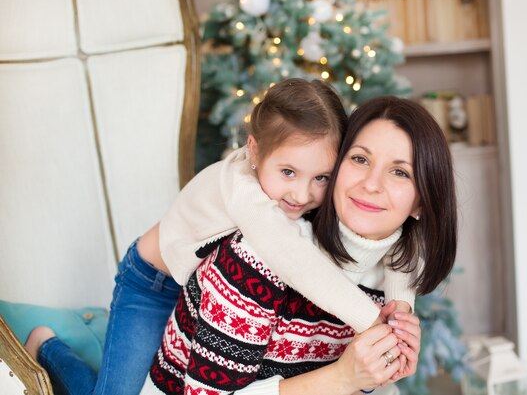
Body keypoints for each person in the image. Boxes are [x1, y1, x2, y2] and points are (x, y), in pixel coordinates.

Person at [25, 79, 416, 395]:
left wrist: (401, 310)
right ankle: (48, 349)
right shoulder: (243, 189)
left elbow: (405, 247)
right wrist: (372, 320)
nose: (302, 195)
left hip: (193, 286)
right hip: (150, 282)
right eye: (288, 173)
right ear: (255, 151)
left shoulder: (300, 205)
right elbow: (288, 257)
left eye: (322, 178)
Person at [141, 96, 457, 395]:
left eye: (400, 172)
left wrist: (379, 367)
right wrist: (342, 377)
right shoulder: (256, 256)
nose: (371, 184)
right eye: (360, 159)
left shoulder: (389, 285)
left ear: (422, 204)